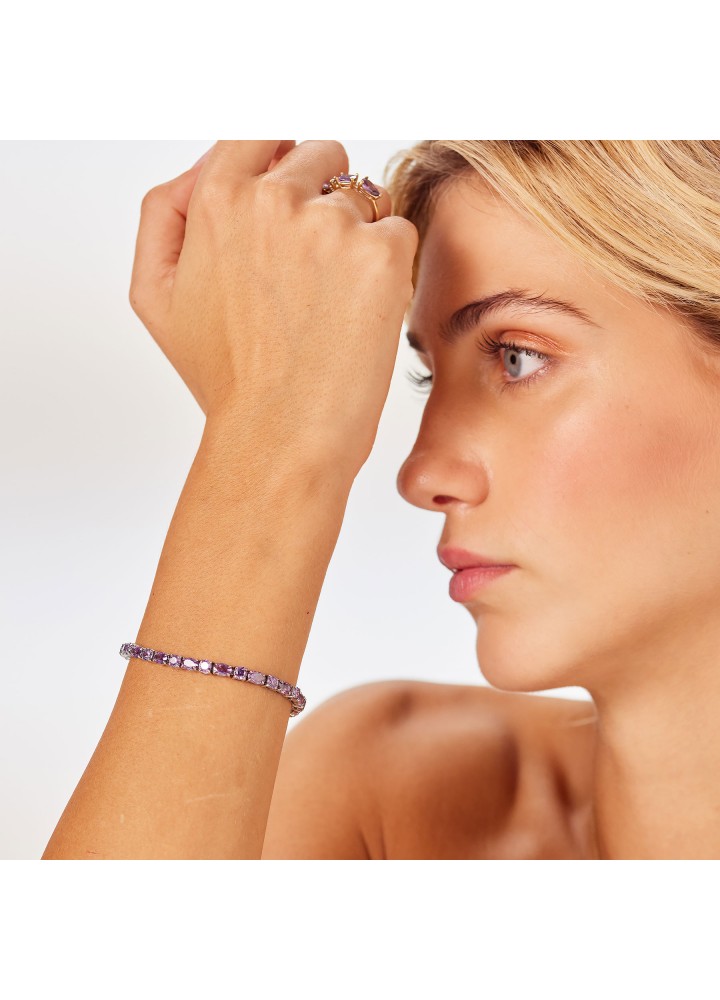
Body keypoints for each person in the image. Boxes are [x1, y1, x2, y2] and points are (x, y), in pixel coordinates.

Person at [41, 139, 720, 860]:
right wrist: (270, 440)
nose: (421, 474)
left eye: (517, 357)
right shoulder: (389, 802)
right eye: (428, 376)